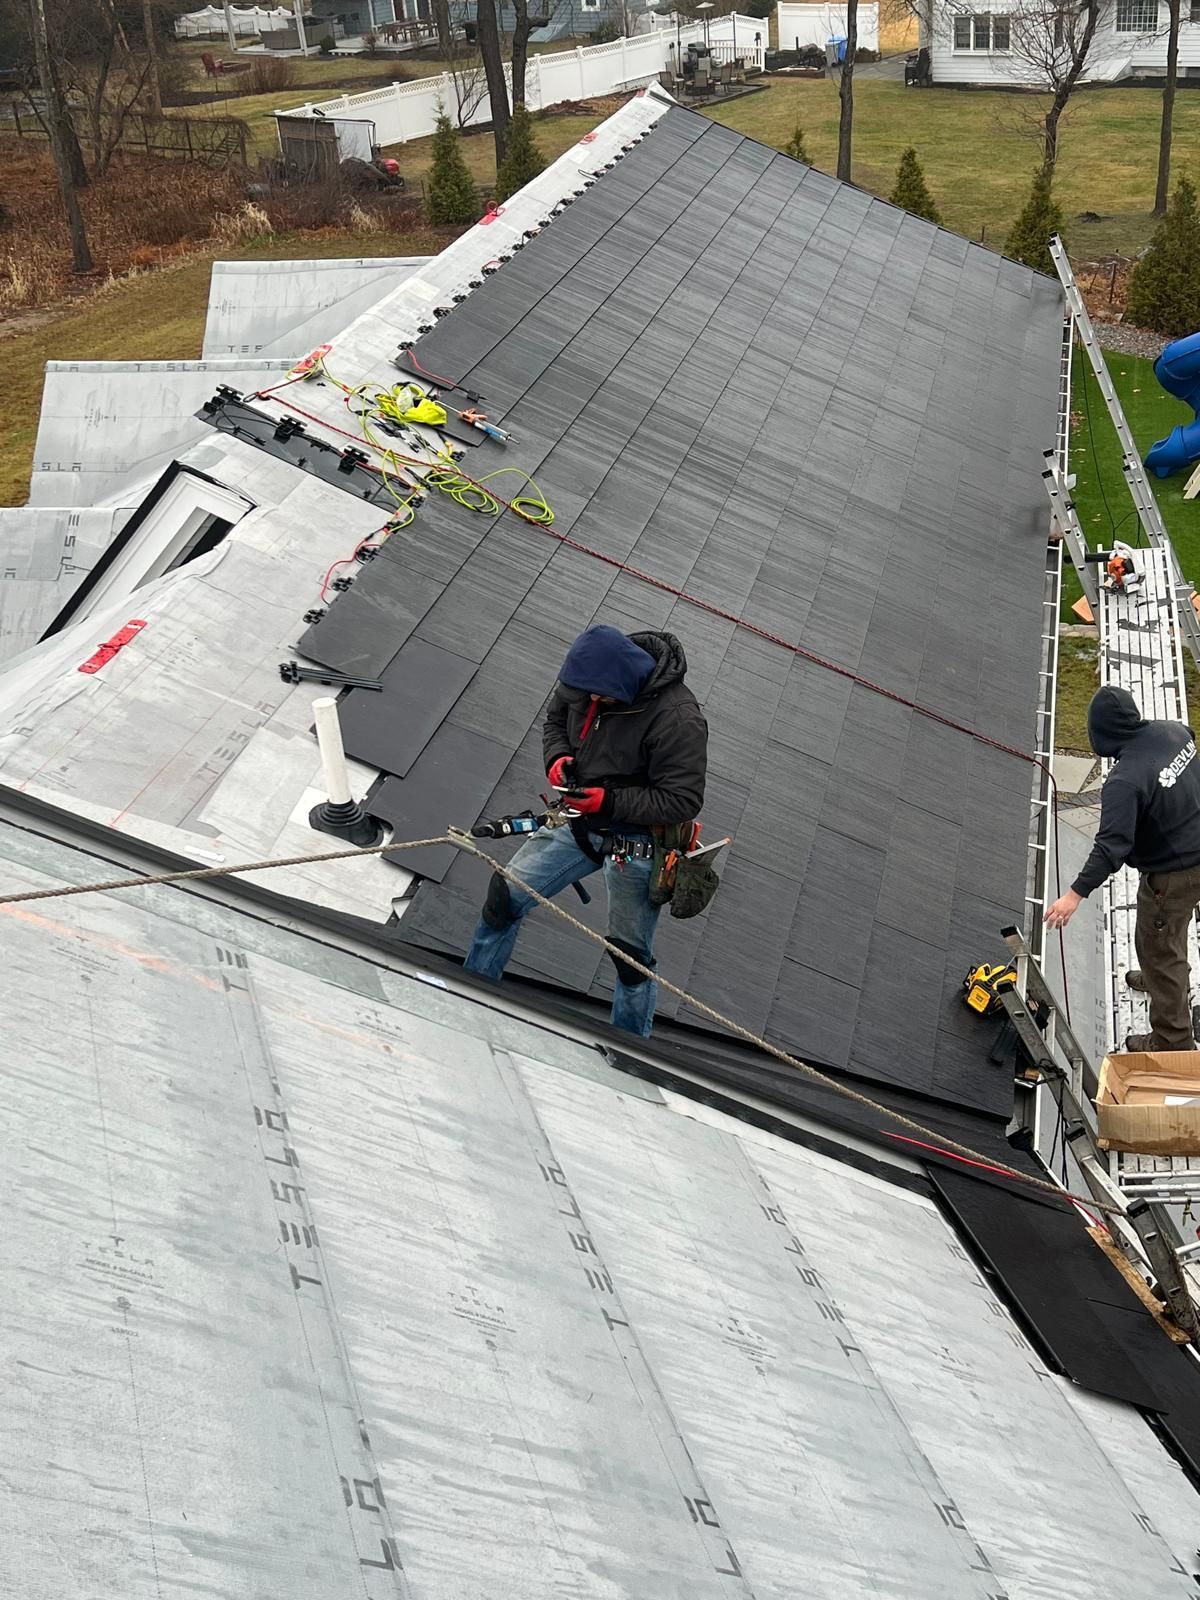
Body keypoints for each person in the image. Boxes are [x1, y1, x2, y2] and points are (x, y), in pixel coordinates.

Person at [463, 625, 708, 1037]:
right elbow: (556, 717)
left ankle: (629, 1048)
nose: (592, 702)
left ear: (626, 684)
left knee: (629, 957)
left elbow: (682, 800)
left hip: (637, 842)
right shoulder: (589, 676)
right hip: (577, 822)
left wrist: (607, 802)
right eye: (587, 695)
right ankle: (470, 993)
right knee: (503, 898)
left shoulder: (677, 719)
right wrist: (558, 757)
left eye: (601, 698)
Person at [1044, 685, 1200, 1051]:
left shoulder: (1125, 781)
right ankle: (1159, 980)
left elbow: (1112, 847)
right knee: (1162, 941)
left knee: (1161, 950)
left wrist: (1074, 894)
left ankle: (1172, 1042)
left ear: (1101, 732)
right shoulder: (1173, 731)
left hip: (1177, 873)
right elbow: (1189, 740)